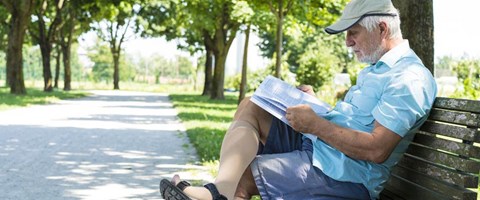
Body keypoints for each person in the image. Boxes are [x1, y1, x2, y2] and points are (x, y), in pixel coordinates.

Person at [160, 0, 437, 199]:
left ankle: (214, 195)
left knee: (244, 175)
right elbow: (356, 122)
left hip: (344, 175)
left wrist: (316, 124)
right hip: (324, 149)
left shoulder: (408, 79)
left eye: (353, 32)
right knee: (252, 105)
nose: (347, 42)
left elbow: (377, 150)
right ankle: (216, 192)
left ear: (381, 29)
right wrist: (317, 106)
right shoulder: (378, 69)